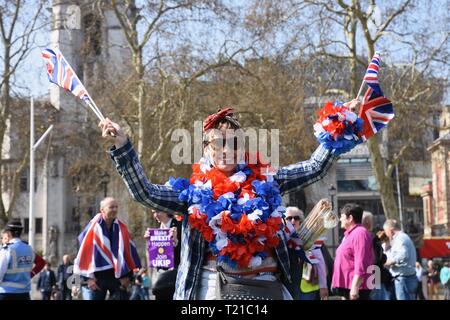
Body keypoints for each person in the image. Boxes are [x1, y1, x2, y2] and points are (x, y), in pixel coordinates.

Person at [100, 103, 361, 300]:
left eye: (234, 143)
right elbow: (144, 193)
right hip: (210, 289)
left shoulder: (268, 181)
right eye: (219, 144)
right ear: (206, 149)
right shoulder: (191, 194)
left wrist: (339, 123)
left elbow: (314, 168)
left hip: (266, 288)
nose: (226, 150)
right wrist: (123, 147)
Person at [73, 197, 142, 300]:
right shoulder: (92, 228)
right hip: (97, 277)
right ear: (102, 210)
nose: (114, 209)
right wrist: (88, 279)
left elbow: (128, 252)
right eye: (111, 207)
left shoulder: (122, 228)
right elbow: (84, 254)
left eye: (116, 207)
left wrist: (128, 277)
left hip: (118, 277)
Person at [331, 203, 375, 300]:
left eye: (342, 216)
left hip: (356, 288)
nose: (340, 219)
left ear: (350, 218)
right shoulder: (351, 234)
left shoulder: (360, 233)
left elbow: (361, 261)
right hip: (348, 287)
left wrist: (355, 287)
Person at [285, 206, 328, 300]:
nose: (293, 221)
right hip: (287, 286)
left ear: (300, 220)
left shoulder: (309, 238)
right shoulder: (281, 237)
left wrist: (323, 286)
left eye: (296, 218)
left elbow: (320, 262)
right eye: (289, 218)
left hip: (307, 288)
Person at [144, 209, 182, 300]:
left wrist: (175, 241)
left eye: (158, 211)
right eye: (153, 212)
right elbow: (155, 258)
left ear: (167, 210)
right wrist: (149, 243)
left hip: (177, 279)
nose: (155, 215)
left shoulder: (180, 226)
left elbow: (187, 251)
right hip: (162, 279)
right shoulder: (156, 230)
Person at [383, 219, 417, 300]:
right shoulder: (402, 237)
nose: (385, 234)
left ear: (391, 230)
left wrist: (389, 262)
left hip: (403, 278)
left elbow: (403, 255)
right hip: (405, 277)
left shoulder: (400, 238)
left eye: (385, 231)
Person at [0, 220, 34, 300]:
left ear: (8, 234)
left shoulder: (7, 249)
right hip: (25, 294)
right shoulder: (29, 249)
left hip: (7, 294)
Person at [362, 212, 391, 300]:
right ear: (368, 223)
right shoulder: (371, 238)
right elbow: (379, 258)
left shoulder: (355, 236)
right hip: (375, 274)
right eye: (372, 221)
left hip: (363, 277)